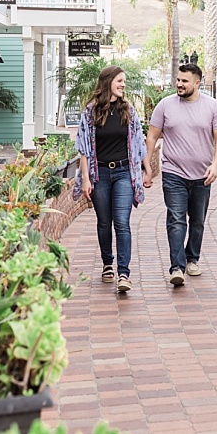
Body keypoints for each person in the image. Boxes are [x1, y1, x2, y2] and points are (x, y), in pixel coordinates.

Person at [143, 63, 217, 287]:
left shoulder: (212, 107)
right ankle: (176, 267)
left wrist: (216, 165)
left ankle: (192, 259)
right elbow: (151, 136)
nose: (179, 84)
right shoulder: (165, 105)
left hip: (202, 175)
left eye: (184, 81)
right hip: (173, 173)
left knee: (197, 221)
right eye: (178, 80)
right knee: (177, 219)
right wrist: (148, 167)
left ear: (197, 83)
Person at [73, 66, 150, 293]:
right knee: (104, 222)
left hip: (124, 173)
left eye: (124, 81)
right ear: (108, 82)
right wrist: (86, 179)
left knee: (122, 222)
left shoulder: (129, 110)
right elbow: (84, 149)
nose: (123, 85)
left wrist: (147, 171)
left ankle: (124, 273)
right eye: (119, 81)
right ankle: (108, 263)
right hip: (101, 174)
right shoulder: (90, 112)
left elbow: (138, 142)